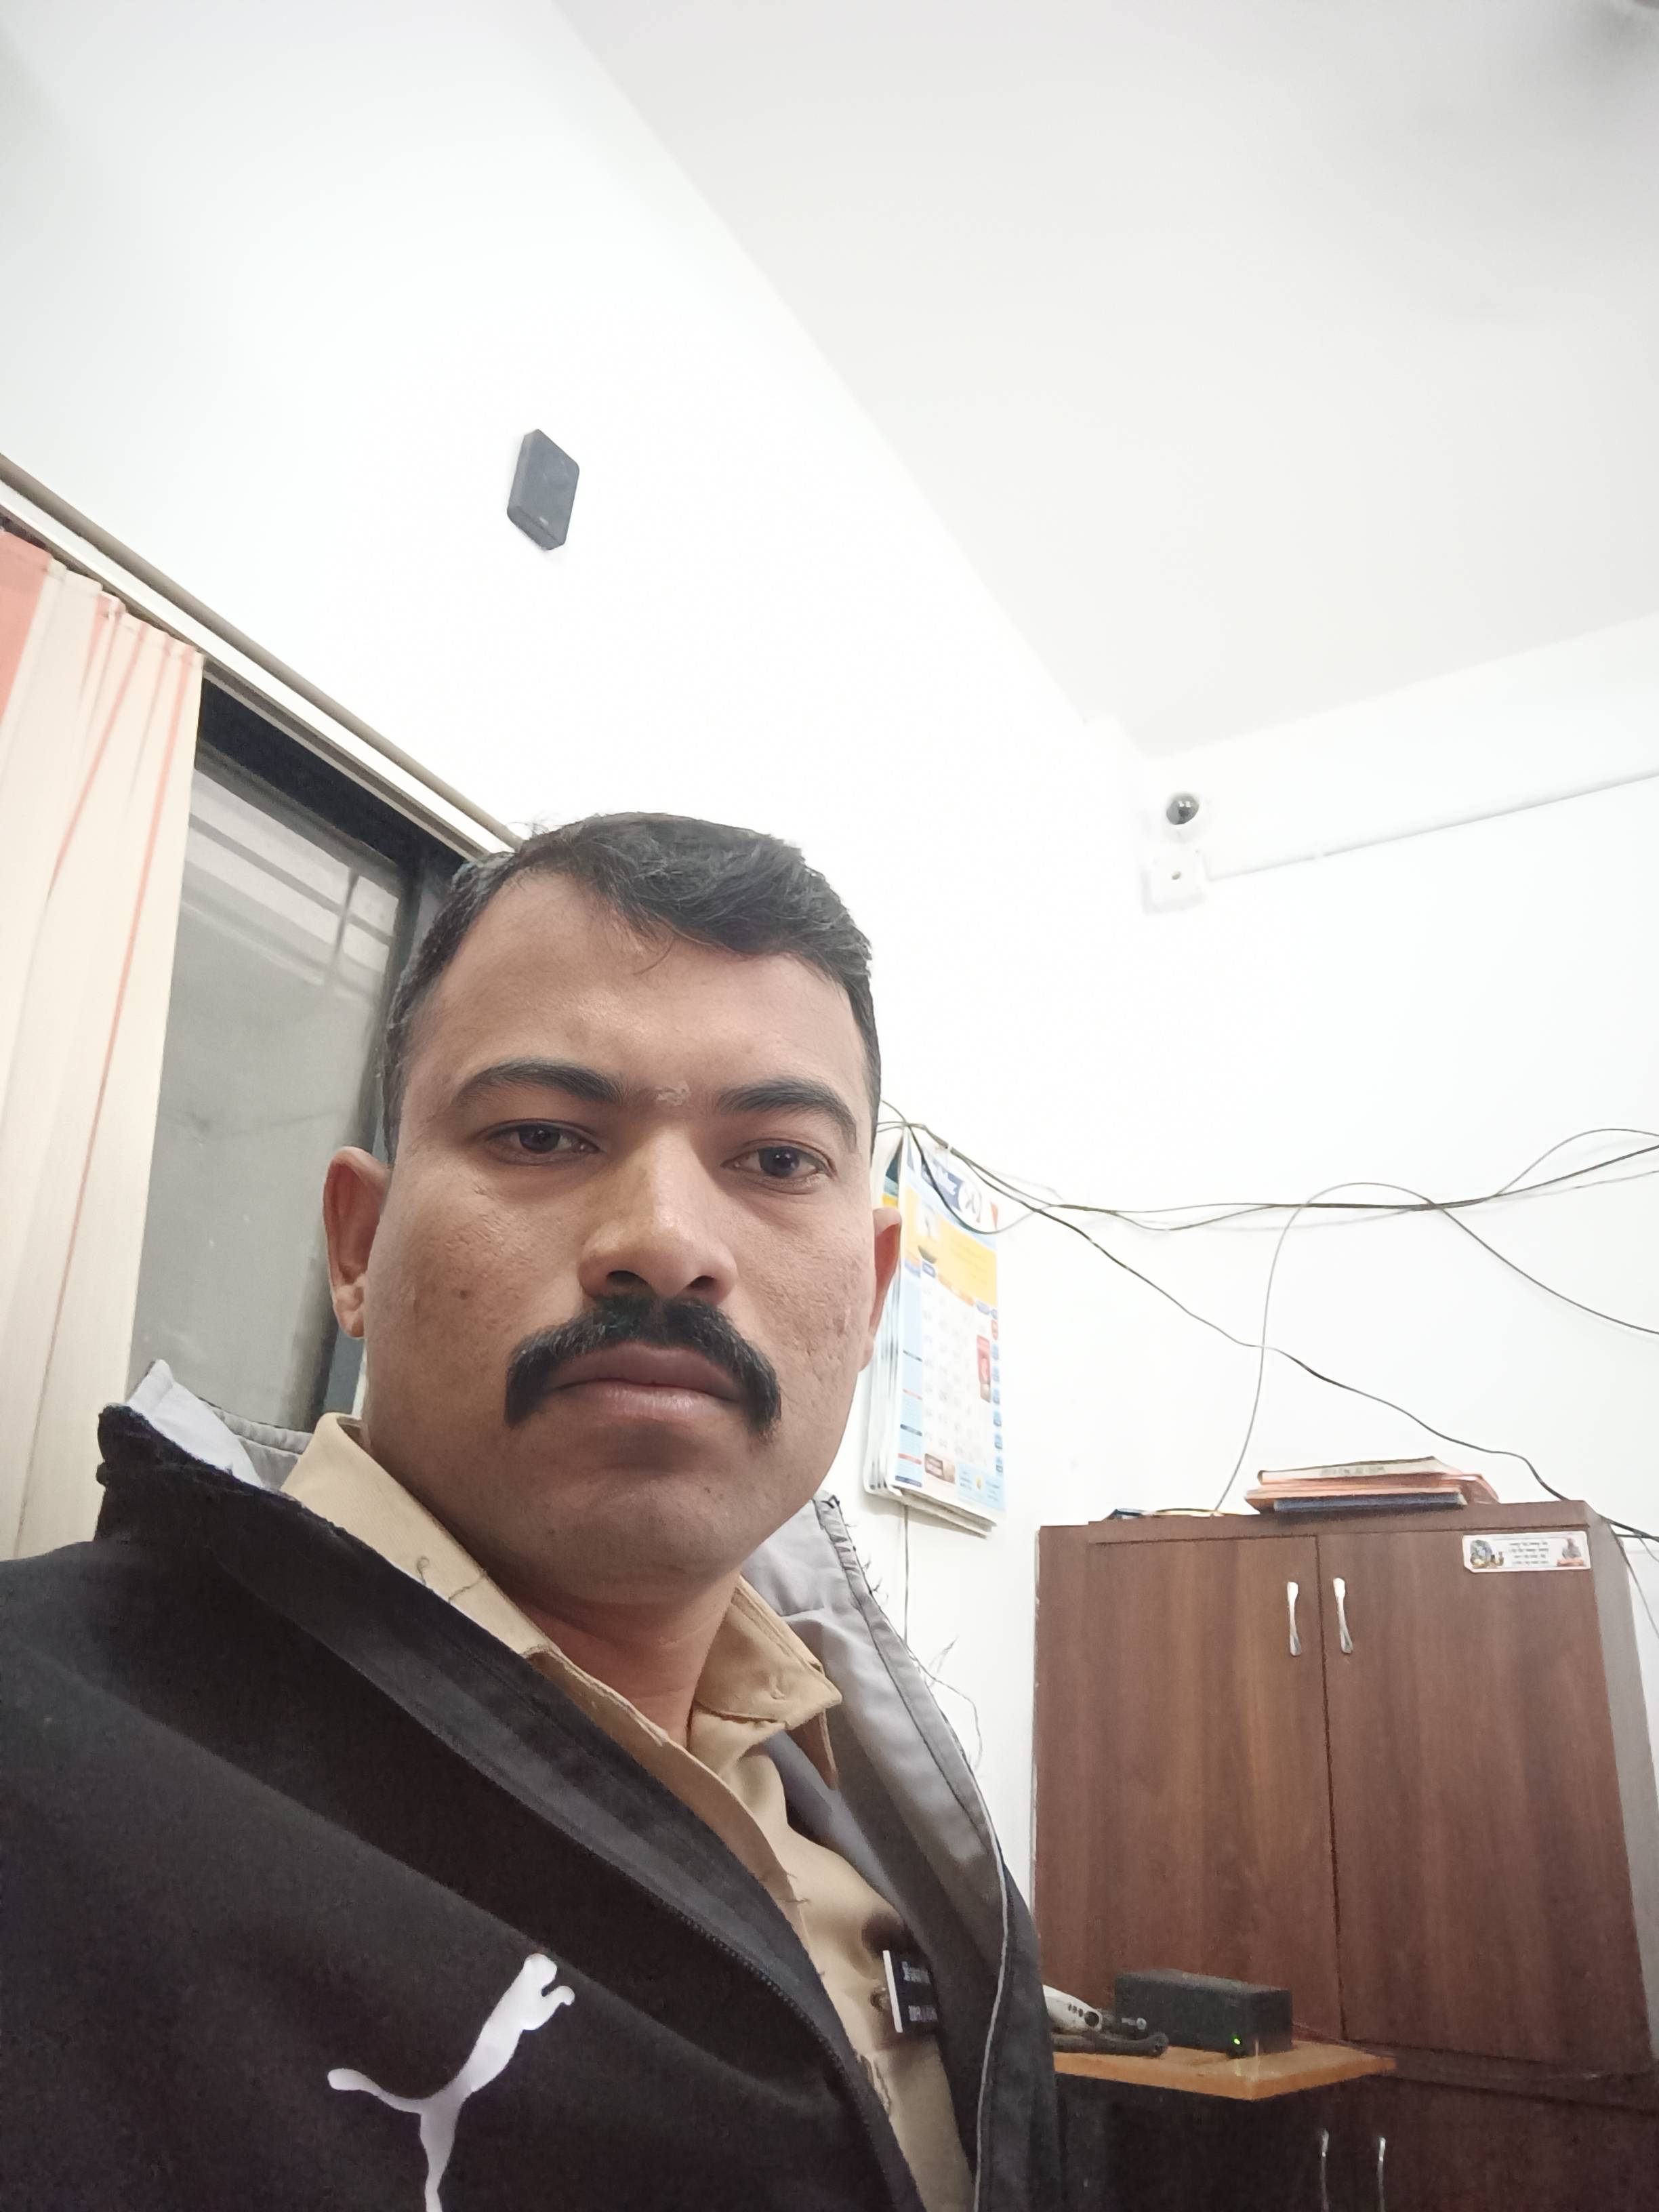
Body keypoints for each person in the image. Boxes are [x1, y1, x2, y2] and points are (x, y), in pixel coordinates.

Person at [1, 813, 1059, 2211]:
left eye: (776, 1161)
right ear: (358, 1247)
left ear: (869, 1294)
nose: (666, 1243)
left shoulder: (882, 1844)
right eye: (543, 1134)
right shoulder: (43, 1761)